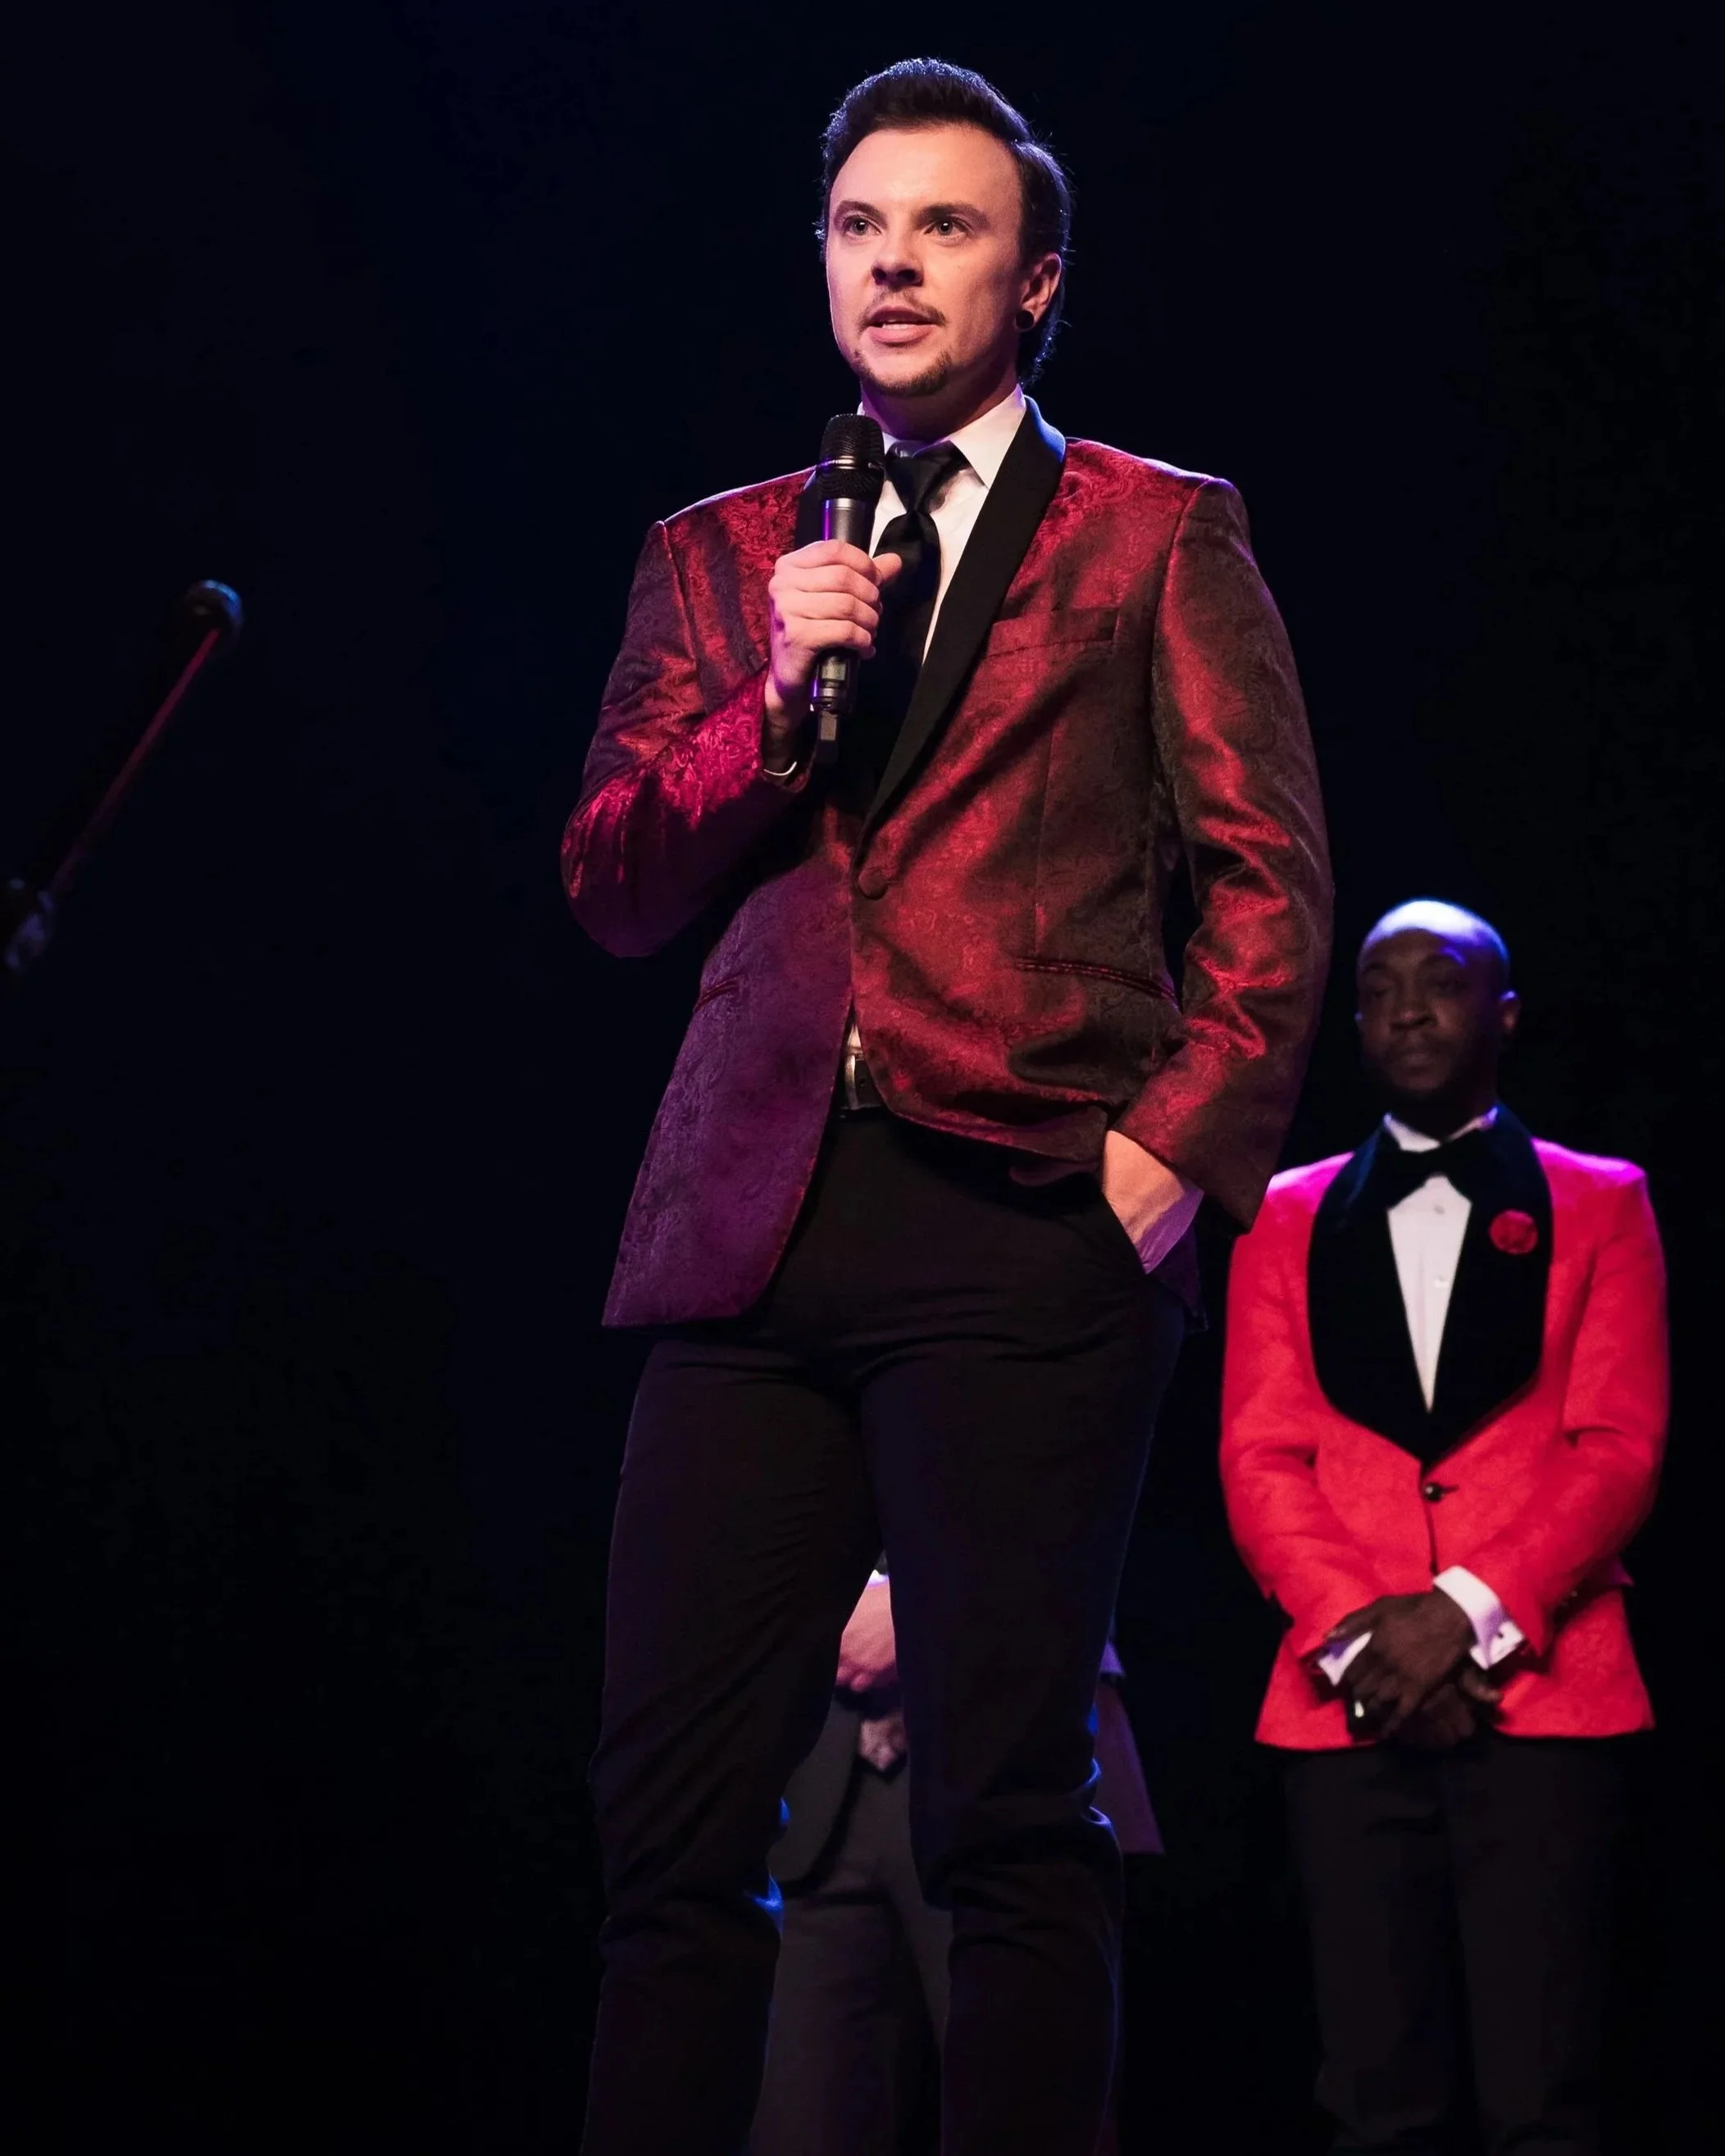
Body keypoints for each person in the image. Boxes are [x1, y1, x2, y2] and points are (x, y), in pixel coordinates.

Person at [563, 57, 1330, 2156]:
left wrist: (1166, 1162)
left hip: (1023, 1211)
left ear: (1039, 277)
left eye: (948, 227)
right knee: (671, 1822)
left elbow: (1268, 878)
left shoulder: (1158, 529)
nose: (894, 265)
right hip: (746, 1223)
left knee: (1005, 1809)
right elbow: (614, 878)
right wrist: (755, 711)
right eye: (859, 227)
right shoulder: (720, 552)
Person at [1220, 900, 1667, 2154]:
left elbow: (1618, 1449)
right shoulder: (1286, 1212)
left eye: (1444, 979)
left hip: (1544, 1692)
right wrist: (1370, 1642)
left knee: (1545, 2099)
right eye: (1379, 985)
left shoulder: (1604, 1199)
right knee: (1373, 2099)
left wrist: (1463, 1618)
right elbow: (1261, 1454)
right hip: (1343, 1692)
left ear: (1505, 1015)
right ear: (1355, 1019)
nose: (1409, 1005)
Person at [749, 1570, 1159, 2156]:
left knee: (1036, 2117)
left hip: (1012, 1769)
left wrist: (923, 1600)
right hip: (810, 1785)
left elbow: (1075, 1502)